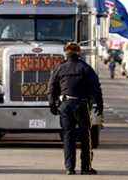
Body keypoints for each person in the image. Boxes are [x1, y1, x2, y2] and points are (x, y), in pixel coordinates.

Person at [48, 42, 103, 175]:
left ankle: (69, 168)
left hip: (65, 106)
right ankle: (86, 168)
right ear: (79, 53)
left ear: (66, 53)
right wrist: (99, 105)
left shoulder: (59, 68)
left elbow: (51, 87)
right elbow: (96, 88)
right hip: (82, 105)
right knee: (85, 137)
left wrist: (52, 104)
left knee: (68, 137)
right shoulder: (85, 68)